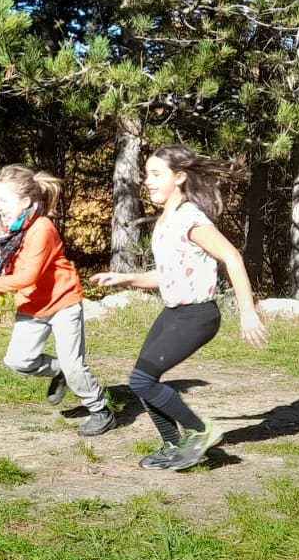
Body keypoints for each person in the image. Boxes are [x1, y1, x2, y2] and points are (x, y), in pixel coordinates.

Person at [90, 144, 268, 470]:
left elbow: (231, 256)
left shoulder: (190, 218)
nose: (148, 181)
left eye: (156, 174)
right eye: (147, 174)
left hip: (196, 316)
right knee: (142, 380)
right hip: (174, 312)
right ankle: (173, 445)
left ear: (180, 177)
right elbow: (166, 275)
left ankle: (201, 431)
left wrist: (247, 312)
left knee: (142, 381)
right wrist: (125, 278)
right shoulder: (165, 221)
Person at [0, 164, 116, 436]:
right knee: (18, 360)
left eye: (4, 200)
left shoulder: (42, 228)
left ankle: (100, 411)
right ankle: (58, 371)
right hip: (32, 304)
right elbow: (14, 268)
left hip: (63, 301)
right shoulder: (10, 229)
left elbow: (28, 276)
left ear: (25, 201)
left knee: (74, 364)